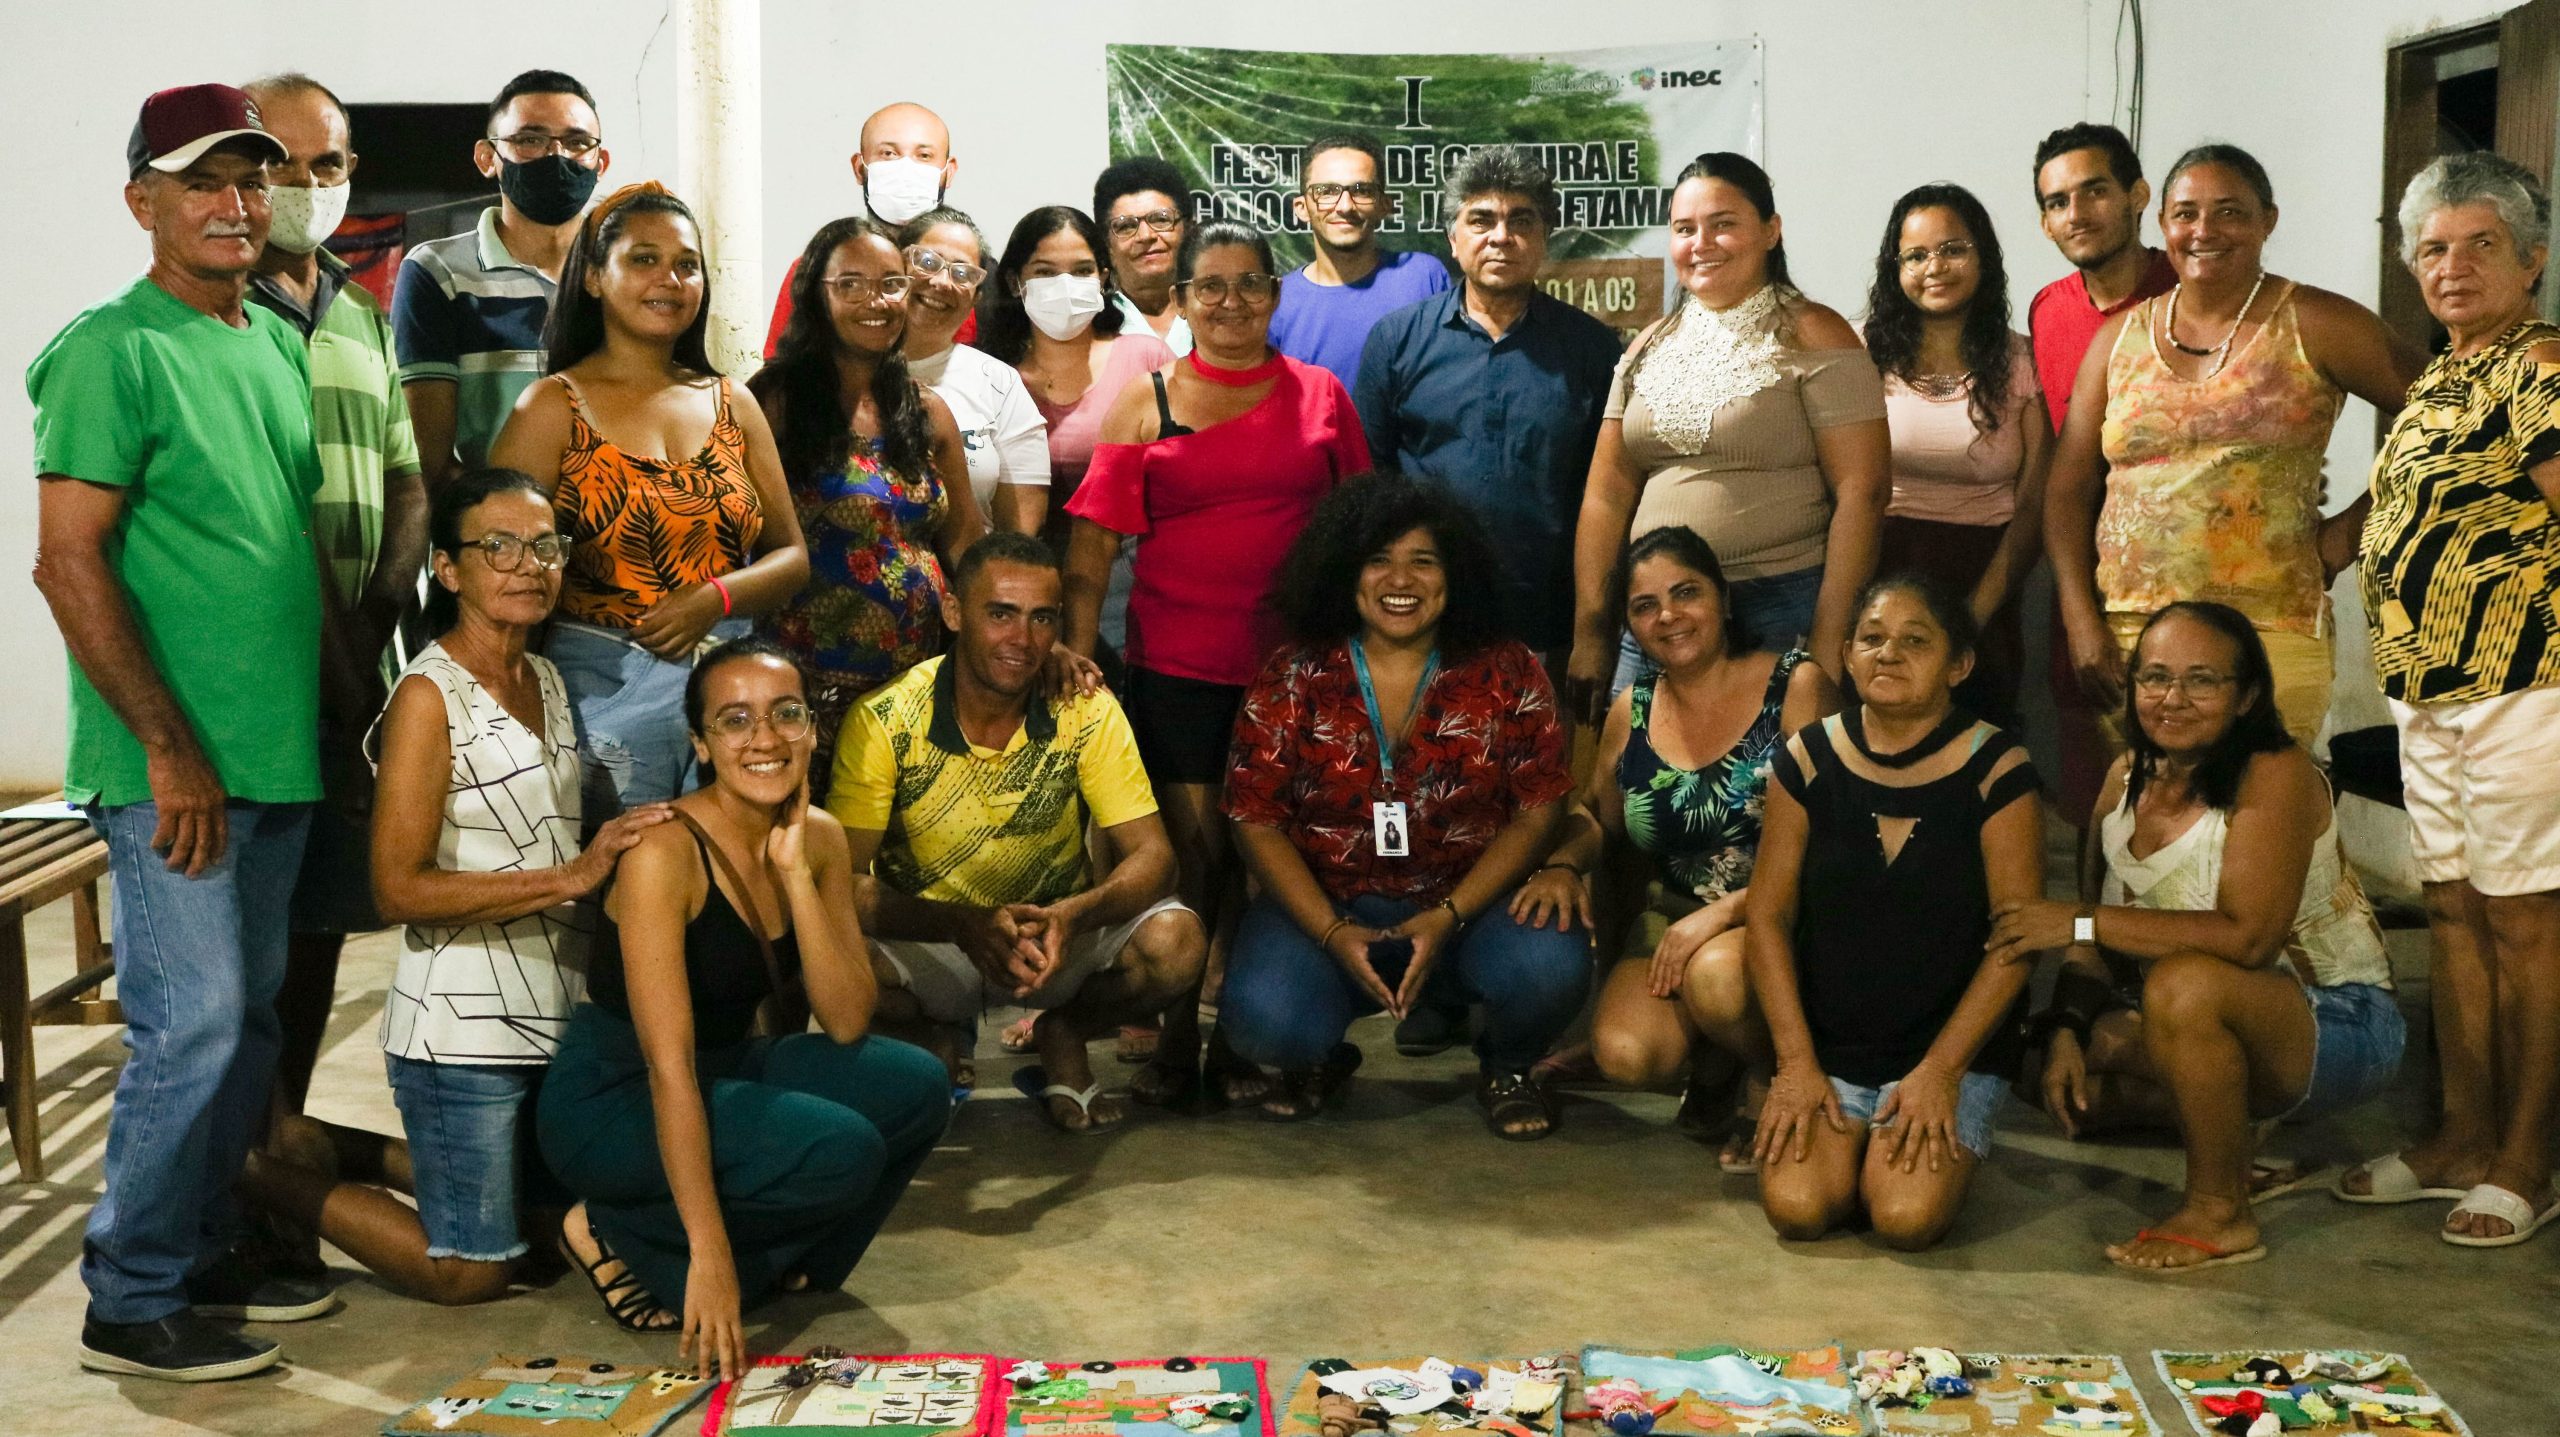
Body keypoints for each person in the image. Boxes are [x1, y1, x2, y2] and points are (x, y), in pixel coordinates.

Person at [31, 83, 332, 1381]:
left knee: (249, 1026)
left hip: (275, 752)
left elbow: (282, 544)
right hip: (174, 770)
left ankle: (205, 1251)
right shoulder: (112, 347)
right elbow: (69, 563)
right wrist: (164, 746)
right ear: (141, 200)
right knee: (195, 1020)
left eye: (254, 179)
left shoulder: (268, 337)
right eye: (205, 180)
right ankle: (129, 1294)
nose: (235, 202)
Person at [238, 469, 673, 1303]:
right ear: (448, 569)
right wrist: (574, 875)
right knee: (473, 1269)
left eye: (544, 545)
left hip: (549, 1011)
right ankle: (255, 1170)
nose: (527, 564)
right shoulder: (428, 698)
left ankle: (328, 1142)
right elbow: (398, 889)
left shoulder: (541, 677)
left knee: (550, 1244)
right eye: (497, 546)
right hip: (461, 1028)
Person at [539, 639, 950, 1379]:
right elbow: (669, 1069)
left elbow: (849, 1019)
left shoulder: (817, 837)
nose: (764, 738)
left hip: (725, 1068)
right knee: (843, 1148)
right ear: (700, 742)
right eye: (734, 721)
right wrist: (710, 1250)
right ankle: (610, 1226)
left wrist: (796, 876)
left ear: (811, 726)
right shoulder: (662, 851)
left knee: (917, 1084)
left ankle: (782, 1269)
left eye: (784, 714)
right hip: (616, 1094)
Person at [1992, 602, 2401, 1271]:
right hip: (2196, 1011)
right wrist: (2065, 1024)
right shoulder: (2124, 774)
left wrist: (2077, 918)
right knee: (2043, 1068)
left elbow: (2247, 941)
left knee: (2184, 986)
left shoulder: (2276, 772)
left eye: (2202, 680)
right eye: (2154, 678)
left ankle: (2221, 1207)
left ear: (2247, 697)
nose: (2172, 698)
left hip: (2339, 1017)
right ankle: (2246, 1141)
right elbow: (2089, 944)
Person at [1063, 219, 1370, 1107]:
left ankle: (1249, 1033)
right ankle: (1172, 1039)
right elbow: (1090, 555)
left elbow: (1363, 537)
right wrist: (1077, 662)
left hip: (1294, 679)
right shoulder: (1144, 401)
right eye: (1211, 287)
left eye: (1249, 285)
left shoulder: (1321, 397)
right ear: (1183, 299)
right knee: (1191, 859)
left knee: (1272, 859)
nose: (1231, 302)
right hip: (1178, 669)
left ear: (1275, 296)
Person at [2340, 151, 2560, 1247]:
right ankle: (2459, 1138)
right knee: (2458, 911)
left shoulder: (2541, 367)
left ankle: (2528, 1156)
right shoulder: (2442, 372)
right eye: (2431, 248)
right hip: (2429, 687)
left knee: (2523, 921)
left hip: (2525, 681)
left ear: (2532, 258)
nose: (2452, 265)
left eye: (2480, 244)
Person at [1223, 476, 1584, 1137]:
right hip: (1329, 905)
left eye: (1424, 560)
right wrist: (1331, 932)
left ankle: (1507, 1064)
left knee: (1550, 964)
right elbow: (1254, 817)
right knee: (1262, 1021)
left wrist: (1450, 914)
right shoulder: (1293, 672)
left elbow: (1540, 810)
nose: (1402, 579)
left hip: (1470, 906)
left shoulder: (1508, 670)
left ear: (1456, 574)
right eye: (1379, 559)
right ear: (1345, 572)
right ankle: (1319, 1055)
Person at [2046, 143, 2421, 750]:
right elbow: (2066, 490)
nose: (2204, 231)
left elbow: (2448, 420)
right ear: (2162, 223)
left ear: (2267, 220)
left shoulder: (2316, 321)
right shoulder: (2119, 339)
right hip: (2134, 638)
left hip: (2268, 632)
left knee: (2261, 821)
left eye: (2230, 213)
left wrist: (2350, 532)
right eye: (2185, 214)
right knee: (2153, 824)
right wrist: (2078, 616)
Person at [829, 533, 1206, 1132]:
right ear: (954, 613)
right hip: (937, 939)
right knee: (820, 954)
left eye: (1041, 619)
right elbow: (839, 883)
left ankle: (1066, 1032)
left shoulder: (1085, 708)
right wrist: (959, 925)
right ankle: (933, 1037)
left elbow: (1154, 857)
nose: (1022, 640)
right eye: (1000, 614)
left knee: (1177, 943)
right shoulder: (887, 718)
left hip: (1050, 940)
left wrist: (1075, 915)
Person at [489, 183, 808, 815]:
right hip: (597, 690)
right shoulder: (552, 406)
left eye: (687, 264)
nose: (670, 278)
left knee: (733, 888)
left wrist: (714, 599)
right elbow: (493, 566)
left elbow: (792, 557)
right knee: (622, 884)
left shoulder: (730, 402)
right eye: (643, 259)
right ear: (594, 279)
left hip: (731, 695)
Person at [1746, 576, 2043, 1250]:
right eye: (1872, 638)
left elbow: (2017, 939)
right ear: (1846, 654)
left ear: (1959, 664)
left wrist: (1940, 1073)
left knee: (1905, 1217)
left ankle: (1915, 1140)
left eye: (1916, 641)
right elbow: (1766, 918)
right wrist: (1795, 1064)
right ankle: (1849, 1135)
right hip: (1830, 1046)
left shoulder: (1998, 767)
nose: (1889, 654)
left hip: (1946, 1053)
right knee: (1798, 1208)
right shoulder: (1808, 756)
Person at [240, 72, 430, 1121]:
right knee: (241, 969)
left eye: (328, 165)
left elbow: (403, 474)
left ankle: (284, 1150)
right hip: (270, 680)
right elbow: (278, 517)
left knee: (315, 935)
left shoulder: (360, 308)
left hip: (358, 672)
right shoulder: (225, 314)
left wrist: (381, 613)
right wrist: (343, 656)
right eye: (283, 165)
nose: (307, 186)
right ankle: (246, 1181)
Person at [1567, 152, 1890, 718]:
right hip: (1655, 614)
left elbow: (1863, 493)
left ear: (1770, 230)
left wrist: (1829, 643)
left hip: (1775, 605)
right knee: (1640, 788)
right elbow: (1607, 493)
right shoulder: (1648, 345)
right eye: (1684, 229)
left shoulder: (1815, 332)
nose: (1702, 243)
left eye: (1723, 224)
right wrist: (1591, 628)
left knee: (1759, 795)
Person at [1552, 528, 1835, 1165]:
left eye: (1686, 593)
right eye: (1645, 605)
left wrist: (1727, 913)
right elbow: (1600, 818)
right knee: (1627, 1053)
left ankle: (1771, 1074)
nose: (1668, 616)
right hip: (1676, 917)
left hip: (1782, 916)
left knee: (1717, 981)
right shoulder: (1634, 706)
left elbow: (1836, 841)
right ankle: (1718, 1057)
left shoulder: (1796, 686)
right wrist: (1563, 863)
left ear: (1725, 600)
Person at [1355, 149, 1622, 671]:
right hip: (1422, 619)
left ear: (1545, 239)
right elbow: (1370, 485)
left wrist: (1593, 629)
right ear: (1453, 239)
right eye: (1481, 220)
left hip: (1550, 620)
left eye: (1521, 220)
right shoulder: (1397, 340)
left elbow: (1610, 491)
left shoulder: (1591, 349)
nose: (1501, 236)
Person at [750, 216, 986, 792]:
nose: (874, 301)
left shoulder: (928, 411)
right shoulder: (774, 403)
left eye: (890, 283)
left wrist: (1015, 623)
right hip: (807, 692)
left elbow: (965, 541)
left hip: (915, 685)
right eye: (849, 284)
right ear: (815, 293)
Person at [2028, 123, 2181, 825]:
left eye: (2095, 190)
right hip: (2082, 572)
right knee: (2094, 779)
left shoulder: (2188, 289)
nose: (2077, 213)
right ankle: (2092, 930)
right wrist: (2075, 604)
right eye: (2058, 201)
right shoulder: (2049, 309)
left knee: (2191, 778)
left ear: (2138, 195)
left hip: (2189, 570)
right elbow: (2064, 471)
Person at [1859, 183, 2049, 727]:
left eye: (1953, 249)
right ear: (1894, 268)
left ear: (1983, 257)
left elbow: (2034, 502)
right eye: (1915, 255)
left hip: (1988, 571)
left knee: (1977, 741)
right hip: (1880, 568)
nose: (1934, 267)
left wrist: (1973, 616)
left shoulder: (2020, 360)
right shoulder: (1862, 355)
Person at [394, 70, 611, 491]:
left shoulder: (622, 273)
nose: (556, 156)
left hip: (618, 531)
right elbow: (429, 460)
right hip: (498, 541)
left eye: (577, 142)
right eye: (530, 140)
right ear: (487, 158)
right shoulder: (438, 272)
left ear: (600, 163)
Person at [978, 204, 1175, 559]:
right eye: (1045, 272)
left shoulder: (1148, 359)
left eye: (1082, 270)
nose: (1065, 285)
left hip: (1131, 580)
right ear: (1014, 282)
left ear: (1102, 277)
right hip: (1022, 580)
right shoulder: (993, 377)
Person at [762, 102, 964, 359]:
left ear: (949, 171)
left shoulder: (973, 276)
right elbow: (779, 374)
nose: (905, 169)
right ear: (860, 167)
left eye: (924, 156)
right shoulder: (819, 268)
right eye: (888, 154)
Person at [897, 207, 1051, 534]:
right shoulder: (850, 369)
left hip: (970, 575)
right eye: (927, 262)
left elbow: (1017, 534)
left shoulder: (998, 383)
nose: (941, 282)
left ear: (976, 297)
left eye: (963, 274)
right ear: (895, 266)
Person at [1267, 132, 1451, 392]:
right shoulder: (1276, 302)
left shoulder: (1423, 277)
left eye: (1361, 190)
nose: (1345, 206)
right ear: (1301, 207)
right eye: (1326, 191)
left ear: (1385, 205)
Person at [1094, 156, 1194, 356]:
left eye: (1160, 219)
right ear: (1107, 245)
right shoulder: (1091, 324)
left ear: (1190, 230)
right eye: (1126, 226)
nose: (1146, 236)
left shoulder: (1222, 310)